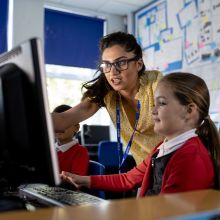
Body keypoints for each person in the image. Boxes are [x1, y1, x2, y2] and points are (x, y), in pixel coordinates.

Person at [60, 72, 220, 197]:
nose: (153, 110)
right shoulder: (163, 147)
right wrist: (83, 180)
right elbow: (128, 179)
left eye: (162, 103)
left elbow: (167, 214)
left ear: (189, 110)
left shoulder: (190, 158)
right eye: (154, 103)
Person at [52, 31, 163, 165]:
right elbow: (64, 119)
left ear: (138, 64)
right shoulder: (107, 93)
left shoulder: (158, 86)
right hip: (147, 172)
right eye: (107, 65)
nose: (113, 71)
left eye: (121, 63)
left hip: (180, 165)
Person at [53, 104, 89, 176]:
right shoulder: (49, 150)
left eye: (64, 122)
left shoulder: (80, 151)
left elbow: (76, 182)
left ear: (76, 128)